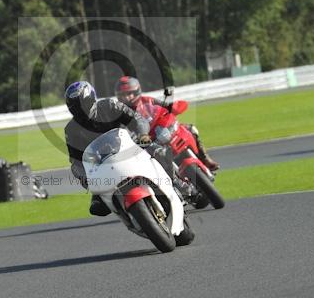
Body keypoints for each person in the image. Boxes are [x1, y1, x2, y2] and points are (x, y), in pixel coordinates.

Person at [64, 81, 186, 216]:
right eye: (76, 106)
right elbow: (75, 159)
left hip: (131, 146)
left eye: (84, 103)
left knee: (160, 152)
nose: (81, 108)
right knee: (97, 207)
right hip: (102, 164)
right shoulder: (71, 130)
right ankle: (118, 207)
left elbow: (137, 119)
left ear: (92, 98)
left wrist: (143, 134)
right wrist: (86, 179)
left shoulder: (109, 105)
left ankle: (174, 184)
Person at [114, 76, 220, 171]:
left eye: (129, 93)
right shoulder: (119, 112)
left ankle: (205, 159)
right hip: (146, 144)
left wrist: (174, 108)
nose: (126, 97)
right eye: (123, 95)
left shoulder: (147, 100)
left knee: (190, 129)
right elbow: (120, 131)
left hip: (160, 131)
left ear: (137, 91)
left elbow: (165, 107)